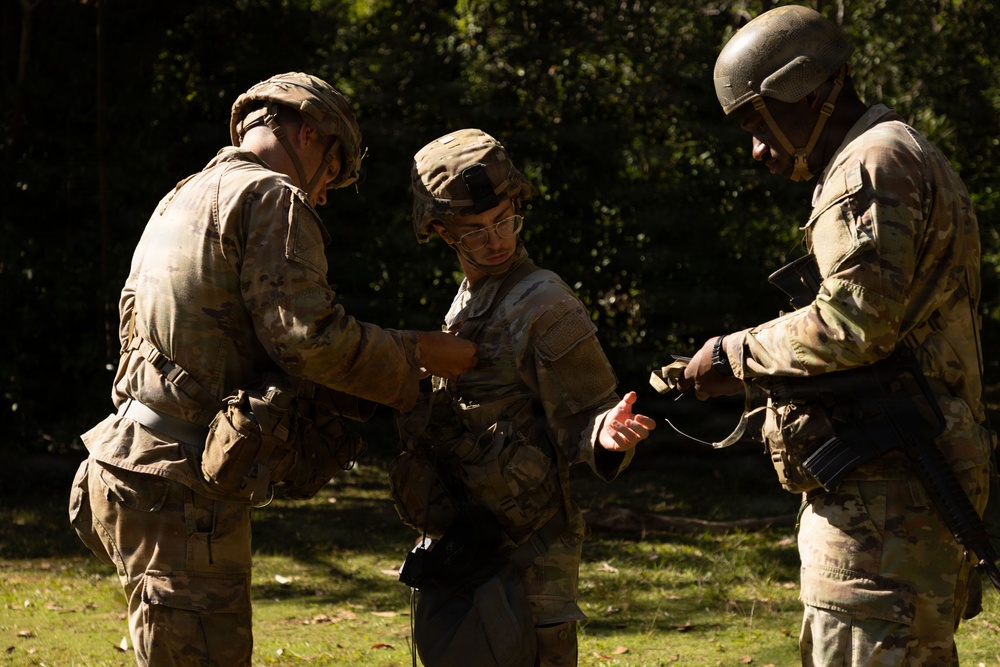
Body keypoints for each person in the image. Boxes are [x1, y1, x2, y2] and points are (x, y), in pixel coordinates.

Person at [67, 72, 477, 667]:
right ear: (309, 133)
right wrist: (420, 352)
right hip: (180, 487)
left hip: (128, 461)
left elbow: (136, 318)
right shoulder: (270, 196)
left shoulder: (184, 194)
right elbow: (309, 340)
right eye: (333, 172)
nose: (325, 193)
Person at [678, 6, 994, 666]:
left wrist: (731, 354)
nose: (757, 149)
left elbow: (855, 324)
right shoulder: (903, 151)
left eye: (758, 121)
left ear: (808, 91)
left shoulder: (867, 168)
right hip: (902, 503)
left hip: (885, 514)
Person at [392, 128, 656, 667]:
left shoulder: (545, 302)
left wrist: (606, 432)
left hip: (534, 563)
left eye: (505, 221)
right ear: (441, 232)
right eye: (476, 232)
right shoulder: (472, 297)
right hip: (477, 545)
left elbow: (589, 415)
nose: (496, 240)